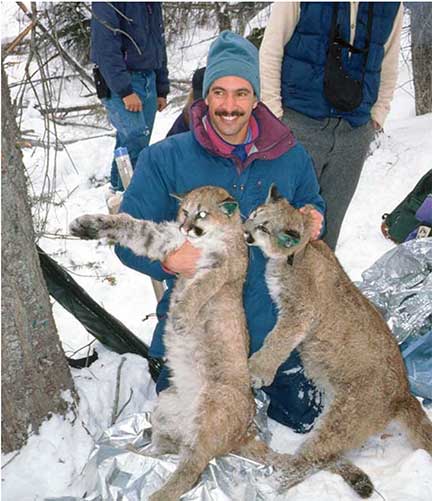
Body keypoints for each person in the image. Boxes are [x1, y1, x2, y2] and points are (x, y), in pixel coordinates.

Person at [116, 31, 326, 433]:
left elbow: (312, 204)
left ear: (256, 98)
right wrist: (167, 259)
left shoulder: (291, 155)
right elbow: (126, 235)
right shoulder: (166, 158)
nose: (229, 106)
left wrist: (314, 217)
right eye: (219, 92)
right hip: (200, 340)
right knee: (193, 436)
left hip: (272, 335)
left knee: (305, 425)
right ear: (205, 97)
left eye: (241, 93)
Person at [260, 2, 403, 250]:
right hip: (299, 124)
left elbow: (389, 60)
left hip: (354, 131)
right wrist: (275, 116)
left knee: (326, 235)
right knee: (282, 230)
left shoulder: (392, 5)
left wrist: (377, 115)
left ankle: (315, 290)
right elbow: (271, 48)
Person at [91, 2, 169, 192]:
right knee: (135, 135)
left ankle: (118, 193)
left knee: (134, 142)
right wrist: (124, 90)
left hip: (148, 77)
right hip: (121, 79)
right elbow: (105, 47)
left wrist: (161, 87)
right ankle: (128, 194)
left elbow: (158, 41)